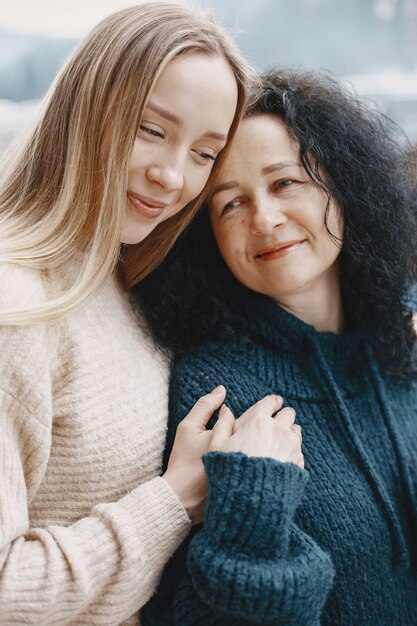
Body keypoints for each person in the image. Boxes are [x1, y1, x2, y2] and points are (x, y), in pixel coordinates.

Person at [0, 3, 265, 624]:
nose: (171, 177)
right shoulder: (17, 309)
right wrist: (174, 500)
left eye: (205, 154)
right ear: (86, 107)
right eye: (152, 130)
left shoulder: (127, 281)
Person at [137, 68, 417, 625]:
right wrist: (254, 498)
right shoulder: (215, 390)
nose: (264, 218)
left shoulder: (400, 348)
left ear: (346, 186)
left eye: (285, 182)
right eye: (229, 204)